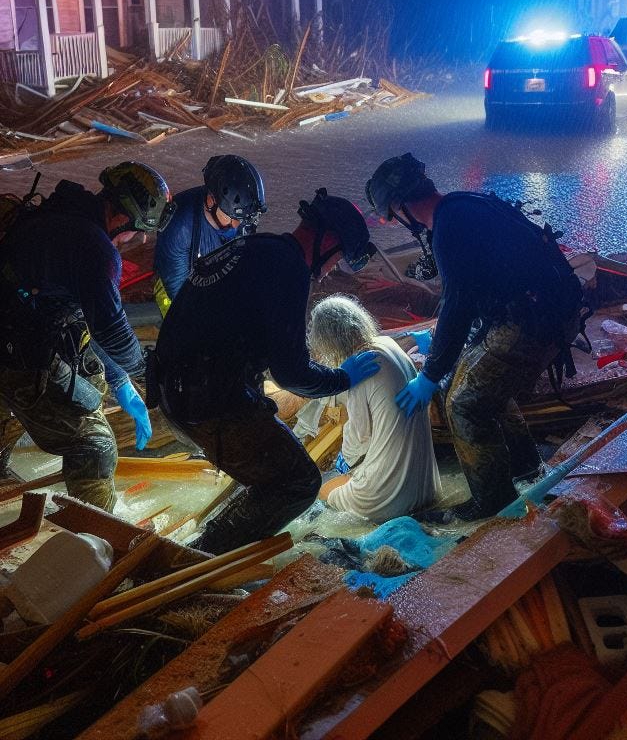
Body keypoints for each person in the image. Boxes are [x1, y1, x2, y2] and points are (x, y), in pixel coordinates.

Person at [153, 189, 382, 554]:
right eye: (337, 258)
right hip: (206, 398)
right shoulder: (289, 268)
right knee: (298, 482)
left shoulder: (258, 247)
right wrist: (342, 378)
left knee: (267, 471)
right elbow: (292, 373)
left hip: (175, 388)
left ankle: (211, 547)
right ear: (328, 241)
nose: (330, 270)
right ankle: (200, 561)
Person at [364, 153, 584, 520]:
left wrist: (429, 373)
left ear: (402, 206)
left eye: (390, 214)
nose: (392, 221)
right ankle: (525, 468)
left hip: (534, 322)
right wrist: (444, 356)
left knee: (464, 403)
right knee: (480, 382)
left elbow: (458, 305)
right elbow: (472, 290)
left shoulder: (449, 227)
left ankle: (491, 502)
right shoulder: (461, 205)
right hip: (552, 311)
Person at [0, 162, 174, 511]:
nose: (139, 239)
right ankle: (95, 535)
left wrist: (120, 380)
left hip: (11, 333)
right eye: (138, 230)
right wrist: (146, 373)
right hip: (14, 351)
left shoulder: (60, 217)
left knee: (88, 377)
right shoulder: (95, 248)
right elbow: (110, 329)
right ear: (122, 217)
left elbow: (86, 321)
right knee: (95, 446)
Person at [309, 296, 440, 521]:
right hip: (427, 489)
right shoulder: (388, 344)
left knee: (321, 490)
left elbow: (359, 442)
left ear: (328, 339)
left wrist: (343, 461)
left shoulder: (361, 366)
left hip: (388, 499)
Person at [153, 155, 266, 315]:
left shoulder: (240, 216)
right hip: (177, 287)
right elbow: (179, 293)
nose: (238, 225)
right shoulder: (178, 228)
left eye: (242, 220)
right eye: (233, 218)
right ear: (211, 201)